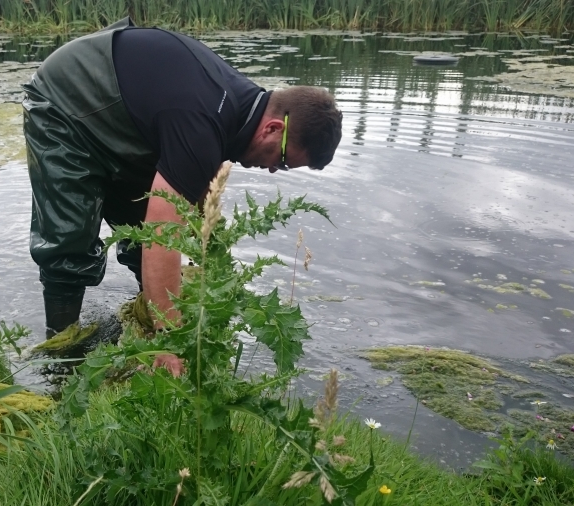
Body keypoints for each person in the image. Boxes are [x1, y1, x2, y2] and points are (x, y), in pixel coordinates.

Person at [22, 18, 342, 340]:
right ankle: (61, 352)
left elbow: (188, 198)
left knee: (138, 234)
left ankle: (142, 325)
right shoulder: (203, 123)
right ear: (274, 129)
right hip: (68, 98)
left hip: (130, 118)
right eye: (283, 161)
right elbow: (162, 233)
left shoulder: (238, 108)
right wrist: (170, 338)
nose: (275, 169)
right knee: (70, 244)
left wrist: (205, 253)